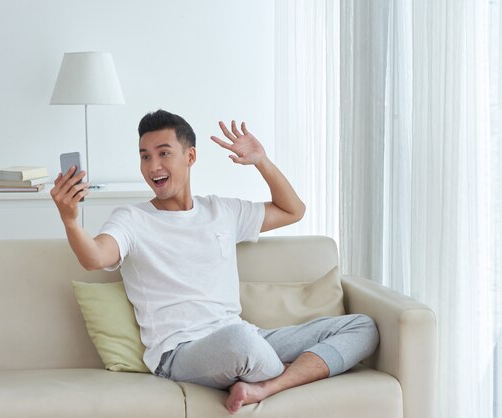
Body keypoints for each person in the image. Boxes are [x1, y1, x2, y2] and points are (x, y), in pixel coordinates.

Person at [51, 110, 379, 414]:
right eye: (145, 156)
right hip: (180, 353)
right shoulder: (131, 219)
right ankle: (298, 369)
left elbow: (293, 210)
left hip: (246, 338)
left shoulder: (221, 211)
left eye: (164, 153)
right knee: (240, 342)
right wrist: (70, 220)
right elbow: (95, 258)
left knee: (361, 326)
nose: (153, 167)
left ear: (190, 156)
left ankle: (267, 387)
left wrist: (261, 161)